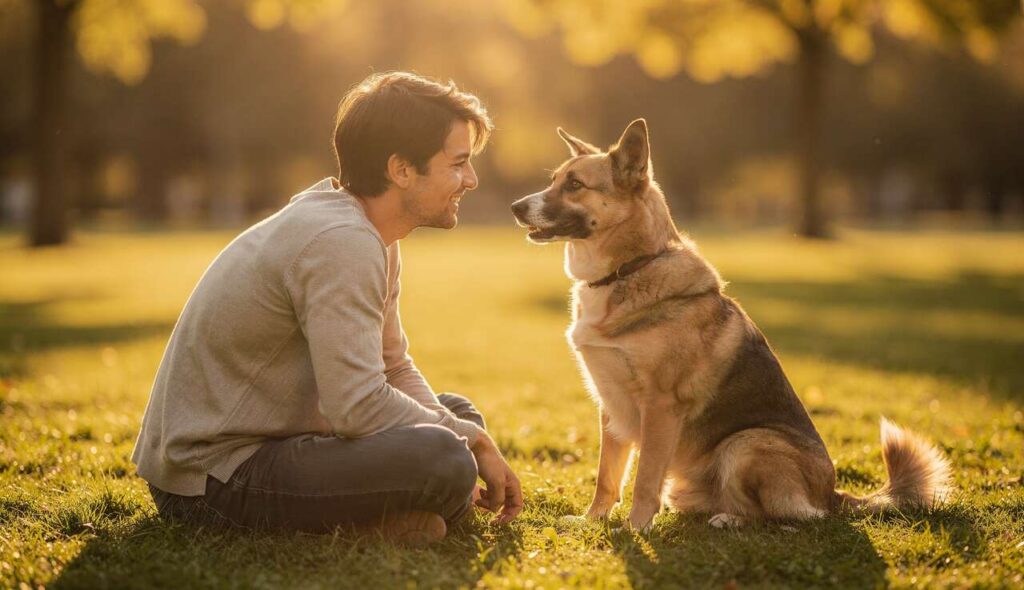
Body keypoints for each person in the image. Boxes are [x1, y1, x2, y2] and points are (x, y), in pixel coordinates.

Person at [132, 72, 523, 545]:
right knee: (447, 455)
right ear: (401, 170)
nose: (472, 180)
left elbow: (393, 366)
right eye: (458, 164)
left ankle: (392, 515)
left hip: (280, 443)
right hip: (212, 477)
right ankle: (377, 520)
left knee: (454, 411)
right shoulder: (342, 241)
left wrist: (463, 433)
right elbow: (357, 407)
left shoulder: (372, 231)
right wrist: (471, 443)